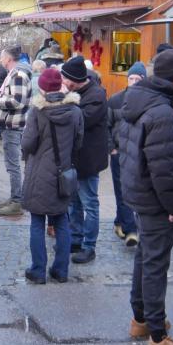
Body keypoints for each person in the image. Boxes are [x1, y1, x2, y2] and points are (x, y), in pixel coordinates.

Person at [119, 48, 173, 345]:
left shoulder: (139, 100)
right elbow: (163, 167)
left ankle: (142, 319)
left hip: (139, 192)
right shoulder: (162, 111)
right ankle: (158, 336)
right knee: (155, 263)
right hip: (155, 198)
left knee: (146, 257)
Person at [21, 68, 83, 285]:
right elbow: (78, 143)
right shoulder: (76, 111)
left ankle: (38, 271)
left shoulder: (37, 112)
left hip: (39, 175)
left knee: (37, 222)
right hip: (63, 174)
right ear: (60, 86)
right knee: (62, 221)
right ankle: (61, 270)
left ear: (41, 87)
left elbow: (27, 143)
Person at [60, 56, 107, 263]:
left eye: (65, 78)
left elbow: (81, 121)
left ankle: (89, 246)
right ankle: (76, 239)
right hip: (74, 158)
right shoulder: (75, 92)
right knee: (73, 202)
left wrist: (64, 101)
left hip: (88, 159)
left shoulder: (96, 95)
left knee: (89, 203)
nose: (62, 81)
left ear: (75, 79)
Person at [0, 46, 32, 216]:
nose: (0, 59)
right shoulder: (14, 74)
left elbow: (17, 101)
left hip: (14, 126)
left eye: (2, 56)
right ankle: (15, 197)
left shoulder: (18, 75)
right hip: (10, 124)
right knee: (11, 164)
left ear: (8, 58)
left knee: (13, 165)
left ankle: (17, 201)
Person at [106, 62, 142, 247]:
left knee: (132, 190)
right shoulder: (115, 99)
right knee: (122, 190)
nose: (134, 82)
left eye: (138, 79)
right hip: (119, 152)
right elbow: (107, 125)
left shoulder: (146, 101)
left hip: (137, 153)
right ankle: (131, 230)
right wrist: (111, 148)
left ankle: (120, 222)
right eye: (131, 78)